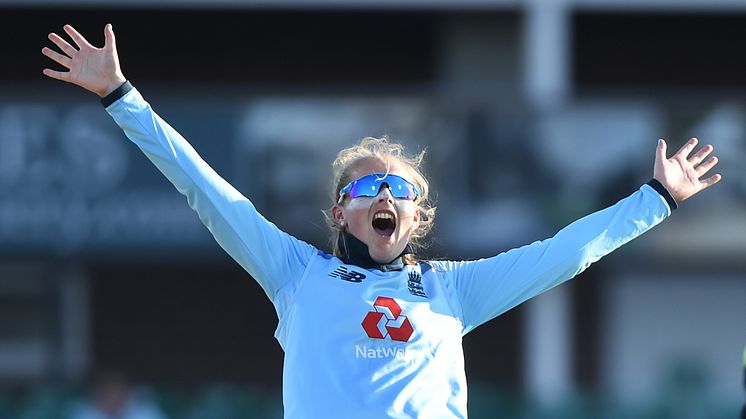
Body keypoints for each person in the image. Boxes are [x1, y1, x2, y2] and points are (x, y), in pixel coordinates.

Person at [42, 24, 722, 419]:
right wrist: (122, 97)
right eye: (368, 184)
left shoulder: (453, 289)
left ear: (418, 215)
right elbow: (205, 189)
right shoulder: (296, 272)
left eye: (400, 188)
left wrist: (654, 200)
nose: (384, 194)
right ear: (341, 210)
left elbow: (563, 252)